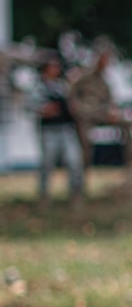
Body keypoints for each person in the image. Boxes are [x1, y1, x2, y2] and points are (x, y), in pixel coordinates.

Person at [32, 56, 85, 203]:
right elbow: (30, 107)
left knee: (74, 161)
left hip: (66, 128)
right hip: (49, 129)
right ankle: (44, 196)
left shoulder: (63, 86)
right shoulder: (38, 87)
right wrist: (44, 110)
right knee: (47, 163)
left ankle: (75, 195)